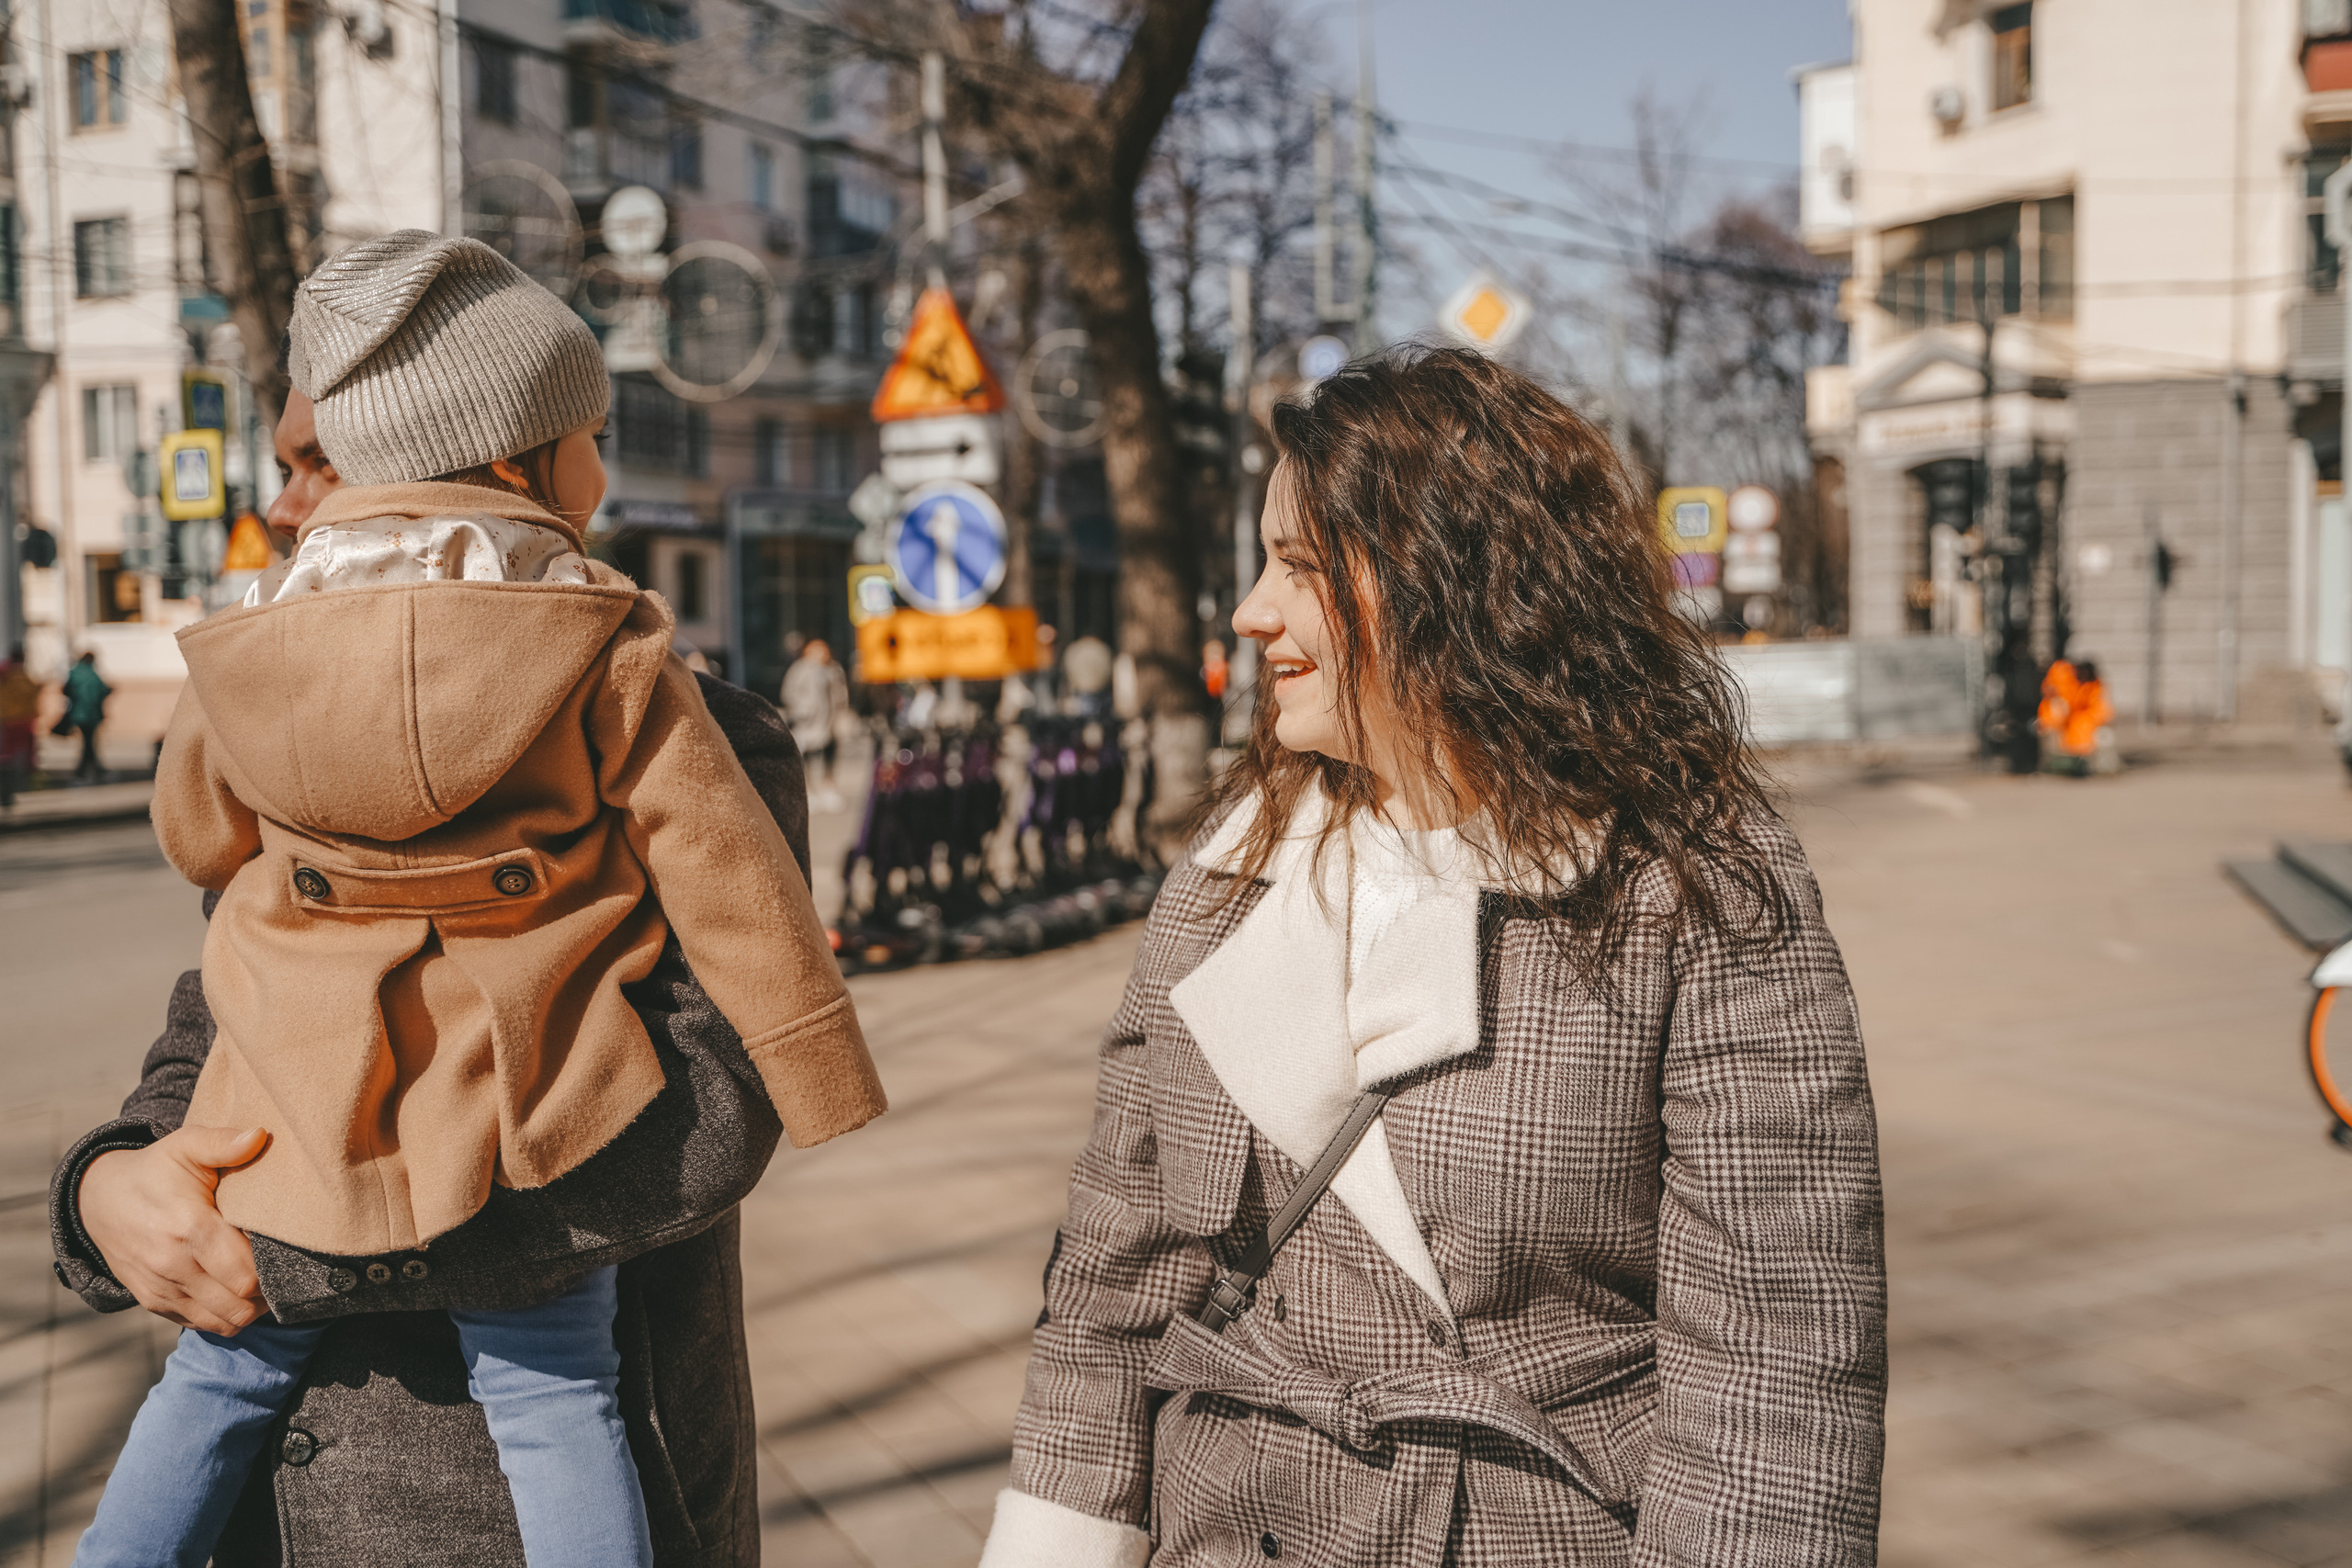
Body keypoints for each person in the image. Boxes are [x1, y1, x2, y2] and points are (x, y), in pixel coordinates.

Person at [979, 348, 1884, 1566]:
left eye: (1298, 566)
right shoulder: (1230, 870)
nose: (1251, 610)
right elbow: (1110, 1277)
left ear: (1451, 580)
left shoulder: (1694, 884)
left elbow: (1777, 1368)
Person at [69, 232, 888, 1568]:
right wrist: (106, 1180)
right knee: (556, 1393)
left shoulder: (255, 666)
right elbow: (214, 990)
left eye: (313, 463)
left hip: (462, 1509)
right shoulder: (614, 652)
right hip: (308, 1506)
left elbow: (711, 1108)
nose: (285, 506)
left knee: (220, 1392)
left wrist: (310, 1234)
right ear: (535, 464)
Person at [782, 636, 851, 808]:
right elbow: (789, 693)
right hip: (807, 722)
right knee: (807, 757)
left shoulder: (833, 669)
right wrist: (802, 709)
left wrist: (842, 713)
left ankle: (828, 788)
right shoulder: (800, 669)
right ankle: (808, 791)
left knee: (829, 756)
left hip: (830, 721)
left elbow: (841, 693)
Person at [60, 649, 109, 783]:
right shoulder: (93, 675)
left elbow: (65, 690)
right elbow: (102, 691)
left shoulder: (74, 673)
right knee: (89, 741)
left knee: (88, 741)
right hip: (91, 714)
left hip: (78, 713)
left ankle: (89, 769)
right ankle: (89, 769)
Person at [0, 643, 38, 805]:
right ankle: (18, 785)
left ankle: (9, 789)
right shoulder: (24, 676)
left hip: (8, 719)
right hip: (23, 720)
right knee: (22, 755)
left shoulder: (6, 673)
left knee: (7, 755)